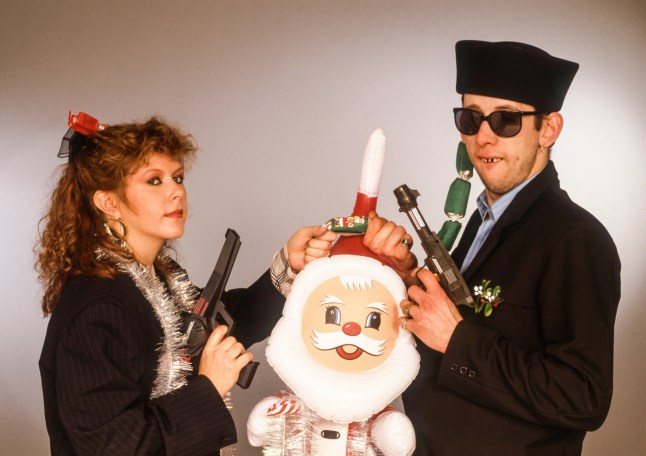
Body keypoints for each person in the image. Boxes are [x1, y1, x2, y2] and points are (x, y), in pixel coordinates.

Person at [363, 40, 621, 455]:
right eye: (471, 118)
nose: (484, 137)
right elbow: (457, 319)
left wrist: (457, 339)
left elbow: (583, 398)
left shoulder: (576, 239)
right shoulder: (482, 221)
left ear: (548, 130)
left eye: (506, 121)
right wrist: (408, 275)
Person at [36, 112, 336, 455]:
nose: (176, 192)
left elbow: (210, 330)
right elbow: (116, 446)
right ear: (108, 202)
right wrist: (209, 385)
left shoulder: (157, 275)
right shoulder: (100, 305)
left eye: (177, 178)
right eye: (154, 181)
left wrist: (288, 266)